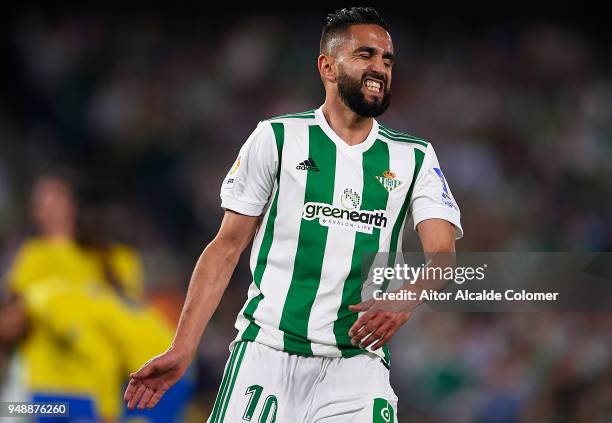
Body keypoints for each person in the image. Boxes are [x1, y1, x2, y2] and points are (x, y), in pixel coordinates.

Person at [124, 7, 462, 422]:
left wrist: (407, 296)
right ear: (328, 67)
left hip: (356, 368)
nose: (380, 68)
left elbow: (442, 254)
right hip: (267, 356)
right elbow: (226, 246)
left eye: (387, 60)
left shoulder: (414, 156)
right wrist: (182, 347)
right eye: (366, 55)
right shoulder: (278, 138)